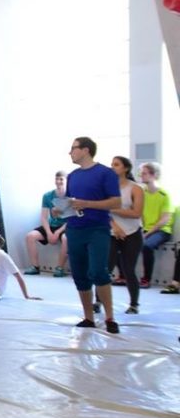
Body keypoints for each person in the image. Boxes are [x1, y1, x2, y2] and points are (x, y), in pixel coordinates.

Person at [64, 136, 121, 333]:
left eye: (73, 148)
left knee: (98, 271)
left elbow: (116, 202)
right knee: (79, 274)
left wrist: (88, 204)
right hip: (74, 228)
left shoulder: (105, 173)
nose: (70, 152)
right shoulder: (72, 176)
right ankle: (88, 317)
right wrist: (60, 210)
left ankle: (110, 317)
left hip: (97, 228)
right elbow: (72, 202)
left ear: (86, 150)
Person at [107, 156, 144, 314]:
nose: (112, 167)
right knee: (105, 268)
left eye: (116, 165)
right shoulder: (107, 188)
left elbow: (136, 213)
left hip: (132, 233)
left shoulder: (135, 188)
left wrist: (112, 209)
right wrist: (115, 227)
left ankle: (134, 304)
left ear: (125, 168)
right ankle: (98, 301)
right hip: (112, 232)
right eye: (111, 164)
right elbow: (102, 211)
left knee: (128, 269)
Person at [23, 170, 69, 277]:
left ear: (66, 181)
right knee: (30, 236)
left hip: (65, 227)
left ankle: (59, 268)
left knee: (66, 238)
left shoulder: (71, 196)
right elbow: (44, 217)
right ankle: (35, 266)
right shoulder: (47, 196)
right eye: (56, 179)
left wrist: (57, 233)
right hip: (51, 226)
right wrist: (49, 233)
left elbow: (71, 219)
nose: (58, 182)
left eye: (61, 179)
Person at [138, 162, 172, 287]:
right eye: (141, 173)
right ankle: (123, 277)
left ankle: (146, 279)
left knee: (147, 246)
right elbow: (139, 214)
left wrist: (147, 234)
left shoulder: (164, 195)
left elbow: (164, 219)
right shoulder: (142, 193)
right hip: (145, 229)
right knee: (121, 241)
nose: (141, 176)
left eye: (144, 173)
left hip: (162, 231)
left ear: (154, 175)